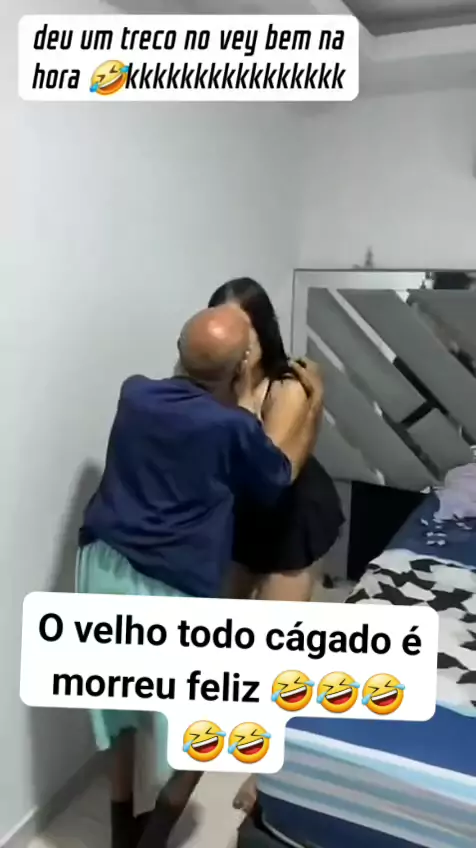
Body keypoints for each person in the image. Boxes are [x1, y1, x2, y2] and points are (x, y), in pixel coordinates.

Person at [76, 304, 324, 848]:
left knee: (114, 703)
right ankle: (155, 836)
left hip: (102, 566)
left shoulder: (134, 393)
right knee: (212, 713)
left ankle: (121, 831)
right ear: (242, 364)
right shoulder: (232, 427)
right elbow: (281, 474)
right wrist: (315, 403)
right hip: (173, 585)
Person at [208, 278, 344, 605]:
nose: (234, 339)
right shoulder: (215, 381)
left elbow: (266, 472)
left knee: (277, 628)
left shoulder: (287, 387)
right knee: (221, 615)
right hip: (243, 514)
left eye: (243, 328)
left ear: (262, 329)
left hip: (291, 514)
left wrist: (241, 394)